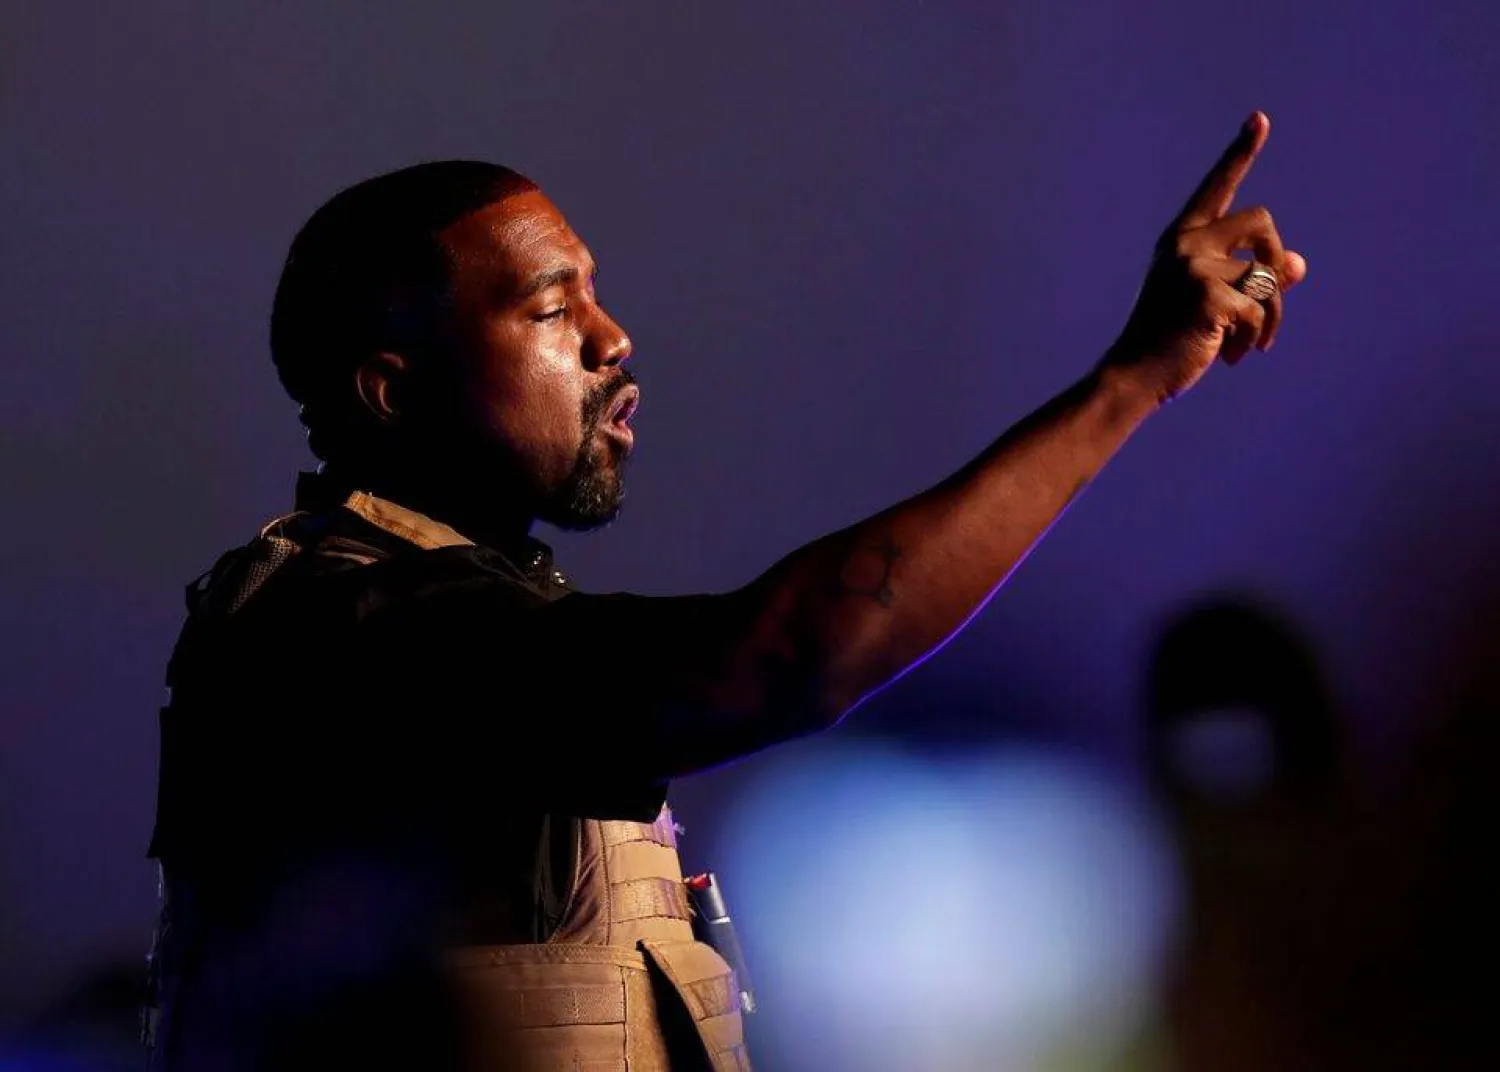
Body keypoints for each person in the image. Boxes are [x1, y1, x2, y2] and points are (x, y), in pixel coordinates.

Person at [142, 112, 1307, 1071]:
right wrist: (1130, 381)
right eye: (550, 309)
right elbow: (793, 651)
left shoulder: (478, 617)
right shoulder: (338, 629)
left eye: (595, 295)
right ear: (391, 391)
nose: (612, 338)